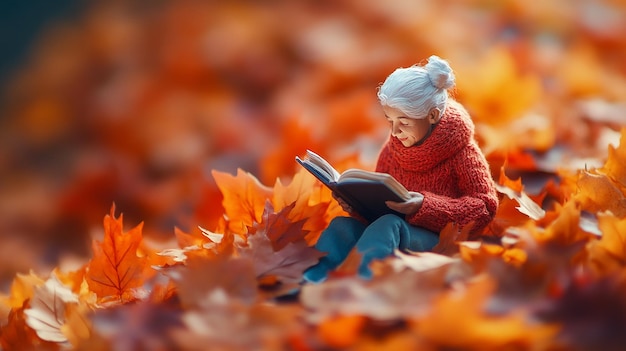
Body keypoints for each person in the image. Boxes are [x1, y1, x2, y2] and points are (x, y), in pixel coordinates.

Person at [303, 55, 498, 282]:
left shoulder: (463, 152)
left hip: (439, 242)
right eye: (390, 121)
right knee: (342, 226)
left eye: (404, 122)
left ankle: (361, 285)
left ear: (432, 115)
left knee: (389, 225)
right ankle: (311, 281)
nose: (395, 132)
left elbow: (485, 207)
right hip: (389, 235)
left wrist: (424, 207)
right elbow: (378, 204)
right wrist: (355, 204)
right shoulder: (392, 150)